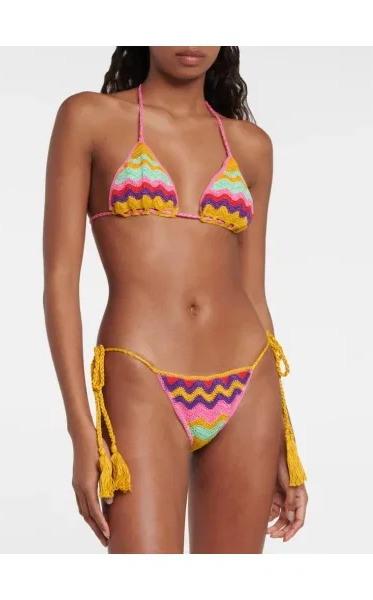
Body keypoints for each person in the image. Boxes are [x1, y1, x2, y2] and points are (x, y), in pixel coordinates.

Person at [43, 46, 308, 554]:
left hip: (248, 379)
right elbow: (60, 280)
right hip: (141, 374)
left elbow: (254, 292)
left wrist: (283, 436)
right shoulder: (90, 117)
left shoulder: (251, 145)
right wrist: (81, 430)